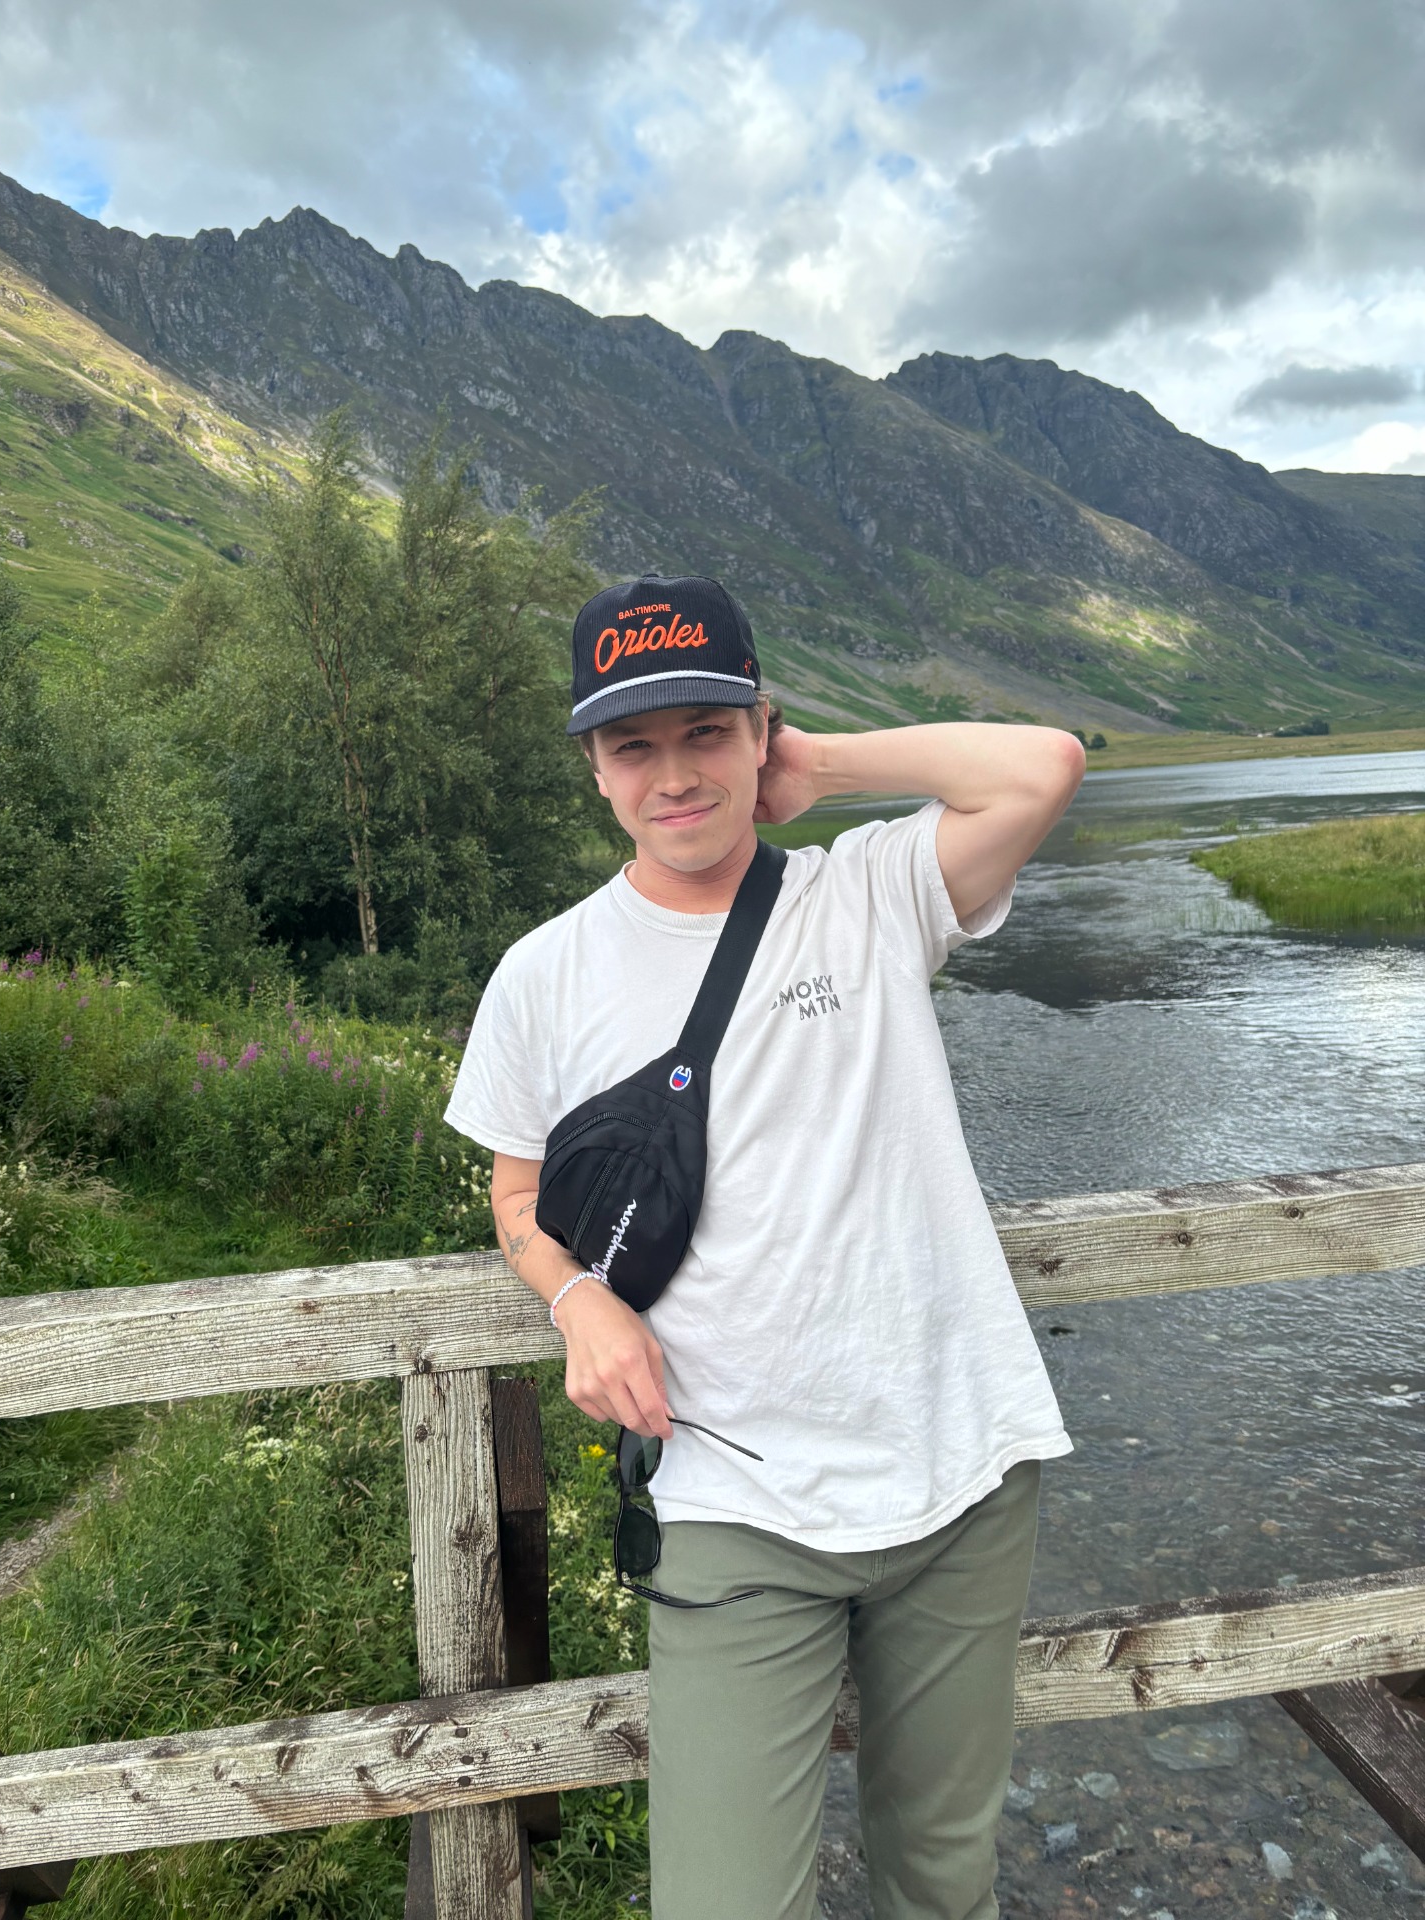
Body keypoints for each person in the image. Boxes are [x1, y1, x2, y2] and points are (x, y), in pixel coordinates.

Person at [445, 572, 1085, 1920]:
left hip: (960, 1471)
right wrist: (576, 1302)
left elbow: (1043, 767)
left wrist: (824, 767)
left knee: (943, 1878)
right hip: (732, 1507)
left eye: (707, 733)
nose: (675, 775)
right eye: (635, 745)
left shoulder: (870, 894)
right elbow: (516, 1199)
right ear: (594, 768)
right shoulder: (544, 974)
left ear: (759, 731)